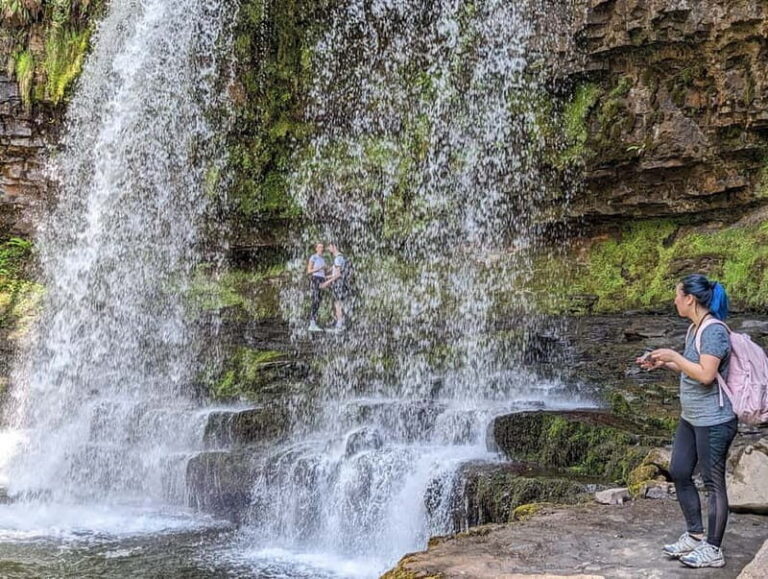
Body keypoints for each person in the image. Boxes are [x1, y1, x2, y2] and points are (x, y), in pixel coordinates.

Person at [637, 274, 736, 569]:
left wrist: (675, 356)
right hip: (691, 417)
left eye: (677, 295)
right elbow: (693, 369)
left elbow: (706, 375)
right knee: (680, 471)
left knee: (713, 482)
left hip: (714, 421)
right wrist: (664, 363)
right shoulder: (694, 328)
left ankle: (713, 549)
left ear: (690, 299)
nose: (674, 300)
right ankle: (695, 535)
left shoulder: (713, 331)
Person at [320, 242, 348, 332]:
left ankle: (339, 325)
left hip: (339, 284)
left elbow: (338, 274)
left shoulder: (338, 259)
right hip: (342, 283)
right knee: (337, 303)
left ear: (334, 246)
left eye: (329, 247)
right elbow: (337, 274)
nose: (328, 249)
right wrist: (325, 277)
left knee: (337, 304)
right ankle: (340, 323)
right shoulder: (342, 257)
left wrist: (326, 283)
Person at [306, 243, 326, 332]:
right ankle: (312, 324)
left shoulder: (323, 259)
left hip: (322, 279)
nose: (321, 248)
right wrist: (319, 268)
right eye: (320, 247)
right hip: (315, 279)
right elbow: (309, 271)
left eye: (322, 247)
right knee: (315, 300)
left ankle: (314, 322)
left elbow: (323, 271)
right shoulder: (313, 257)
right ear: (316, 248)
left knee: (318, 300)